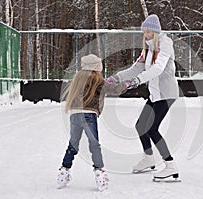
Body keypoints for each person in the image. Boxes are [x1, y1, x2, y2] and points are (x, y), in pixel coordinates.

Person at [106, 14, 180, 180]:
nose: (146, 34)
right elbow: (136, 68)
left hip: (166, 93)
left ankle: (170, 165)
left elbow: (157, 69)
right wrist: (115, 78)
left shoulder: (165, 44)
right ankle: (148, 159)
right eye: (144, 31)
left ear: (155, 31)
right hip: (155, 93)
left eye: (149, 31)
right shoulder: (148, 47)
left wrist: (135, 82)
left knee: (152, 129)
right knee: (141, 126)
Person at [57, 54, 128, 191]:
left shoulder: (78, 78)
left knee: (73, 143)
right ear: (96, 68)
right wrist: (127, 84)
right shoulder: (97, 80)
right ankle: (99, 173)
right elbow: (114, 89)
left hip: (75, 114)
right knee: (94, 144)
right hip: (89, 115)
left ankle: (63, 172)